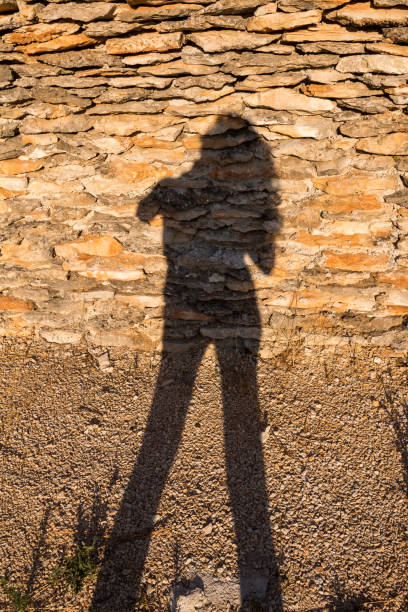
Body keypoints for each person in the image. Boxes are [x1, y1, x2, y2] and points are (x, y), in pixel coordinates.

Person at [91, 116, 282, 611]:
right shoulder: (244, 188)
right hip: (227, 300)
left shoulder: (179, 185)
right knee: (216, 378)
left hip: (185, 294)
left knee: (179, 389)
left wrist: (164, 196)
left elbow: (140, 213)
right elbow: (266, 261)